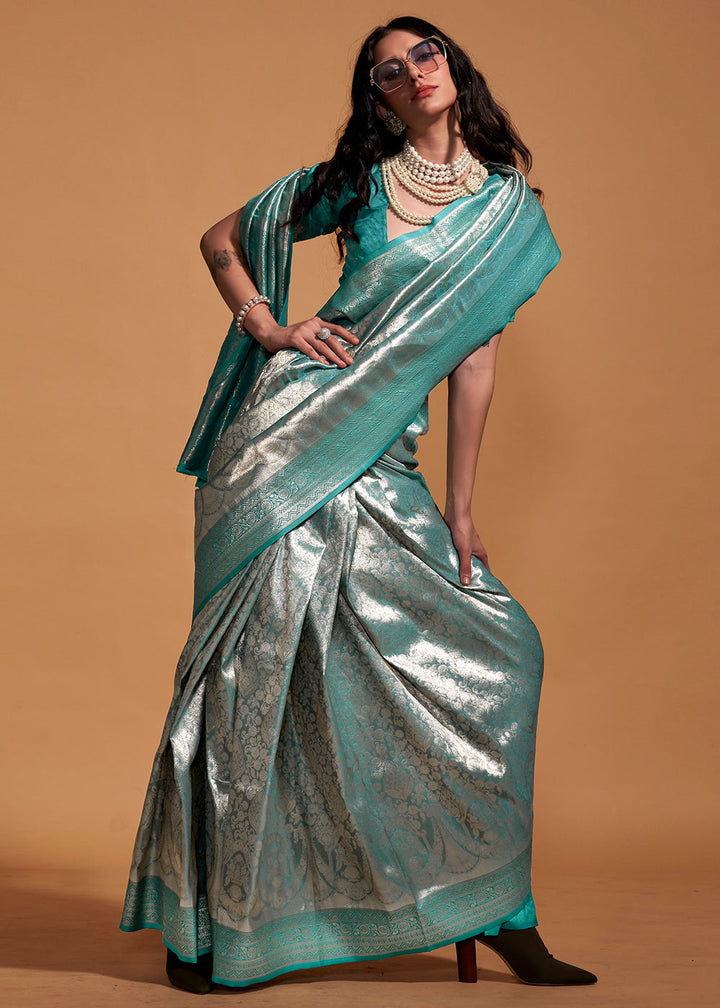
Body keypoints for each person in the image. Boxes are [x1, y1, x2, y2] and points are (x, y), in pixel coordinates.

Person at [119, 15, 597, 994]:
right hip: (284, 443)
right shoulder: (359, 183)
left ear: (452, 66)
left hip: (387, 457)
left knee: (503, 655)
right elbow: (220, 240)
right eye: (389, 70)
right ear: (376, 99)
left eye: (424, 53)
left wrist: (460, 507)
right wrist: (269, 328)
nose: (412, 73)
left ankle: (499, 909)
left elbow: (474, 359)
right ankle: (206, 929)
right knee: (252, 678)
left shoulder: (506, 213)